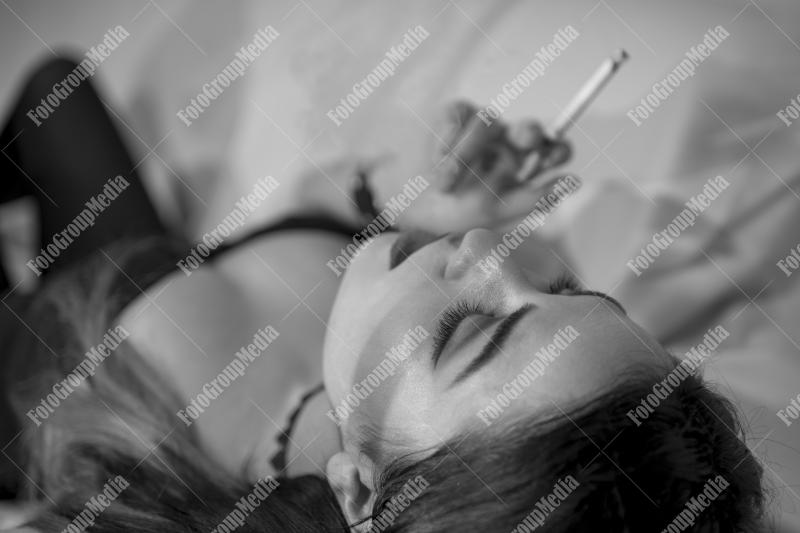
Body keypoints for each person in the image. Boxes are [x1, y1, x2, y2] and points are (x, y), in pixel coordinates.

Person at [0, 56, 763, 532]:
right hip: (122, 251)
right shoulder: (377, 329)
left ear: (362, 485)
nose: (491, 251)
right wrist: (413, 211)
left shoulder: (158, 483)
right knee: (52, 88)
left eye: (468, 331)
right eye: (565, 288)